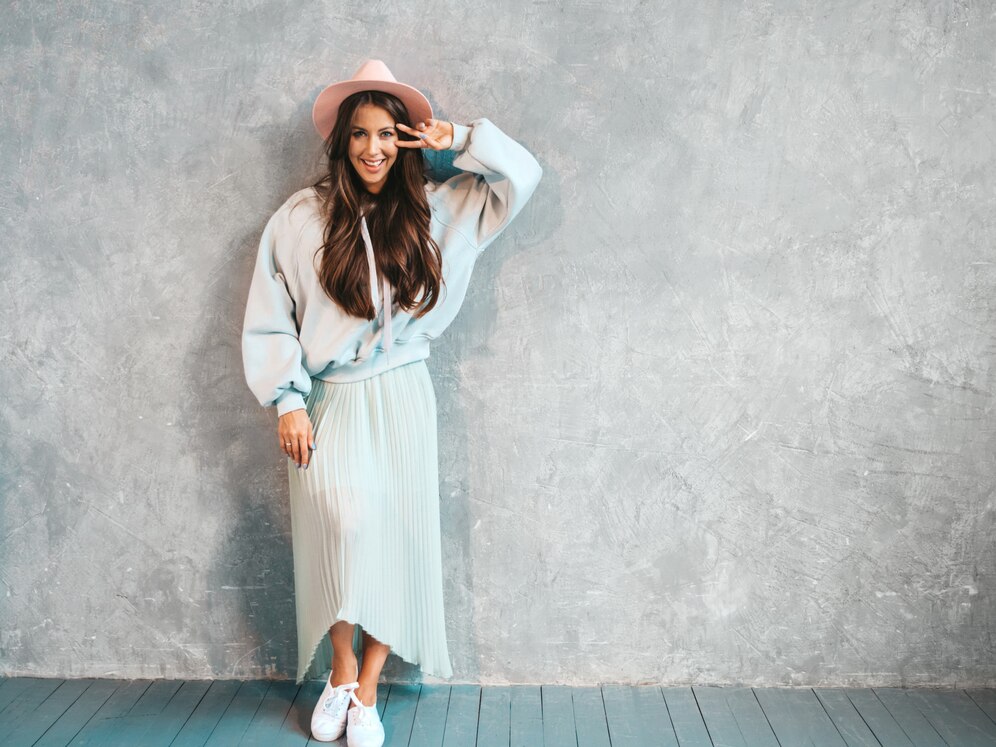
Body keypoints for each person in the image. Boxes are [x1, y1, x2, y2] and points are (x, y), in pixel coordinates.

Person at [240, 59, 542, 746]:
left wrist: (458, 137)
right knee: (342, 525)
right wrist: (288, 401)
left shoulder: (443, 208)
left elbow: (523, 175)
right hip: (332, 398)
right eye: (359, 136)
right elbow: (269, 315)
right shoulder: (300, 219)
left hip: (405, 395)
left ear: (404, 139)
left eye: (386, 134)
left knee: (394, 540)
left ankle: (368, 685)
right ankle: (339, 667)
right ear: (341, 143)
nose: (372, 148)